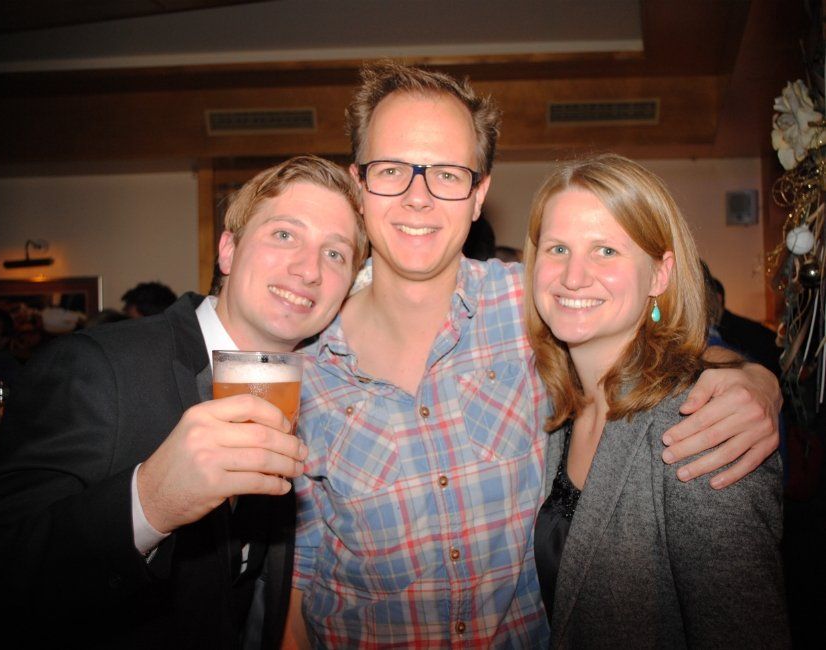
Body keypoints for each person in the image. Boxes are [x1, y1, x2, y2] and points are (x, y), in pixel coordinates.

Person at [285, 61, 782, 647]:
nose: (418, 197)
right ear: (359, 187)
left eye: (447, 174)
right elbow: (301, 573)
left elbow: (653, 342)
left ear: (479, 194)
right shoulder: (303, 366)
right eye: (392, 170)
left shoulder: (535, 308)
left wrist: (753, 379)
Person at [0, 155, 368, 649]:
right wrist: (149, 502)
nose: (308, 269)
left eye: (335, 254)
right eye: (285, 234)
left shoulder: (314, 392)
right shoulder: (97, 365)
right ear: (228, 250)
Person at [529, 154, 788, 647]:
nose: (573, 276)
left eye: (606, 250)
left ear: (659, 275)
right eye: (558, 248)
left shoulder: (703, 427)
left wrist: (758, 378)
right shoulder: (555, 405)